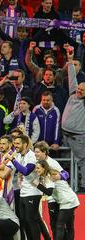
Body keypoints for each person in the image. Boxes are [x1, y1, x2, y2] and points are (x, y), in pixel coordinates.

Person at [4, 135, 44, 240]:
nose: (15, 146)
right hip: (23, 192)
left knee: (31, 221)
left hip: (33, 192)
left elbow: (26, 171)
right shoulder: (19, 156)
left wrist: (13, 160)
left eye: (18, 143)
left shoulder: (31, 156)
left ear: (25, 144)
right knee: (24, 220)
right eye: (14, 143)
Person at [33, 164, 80, 240]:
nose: (36, 170)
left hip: (68, 201)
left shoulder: (49, 176)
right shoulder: (49, 175)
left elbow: (49, 192)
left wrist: (37, 185)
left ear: (44, 168)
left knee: (59, 225)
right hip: (70, 200)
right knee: (69, 226)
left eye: (38, 168)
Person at [63, 58, 85, 192]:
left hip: (78, 138)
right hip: (64, 134)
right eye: (79, 88)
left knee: (82, 162)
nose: (79, 90)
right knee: (66, 162)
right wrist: (70, 61)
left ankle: (83, 186)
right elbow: (72, 79)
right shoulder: (73, 95)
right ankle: (67, 185)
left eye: (82, 90)